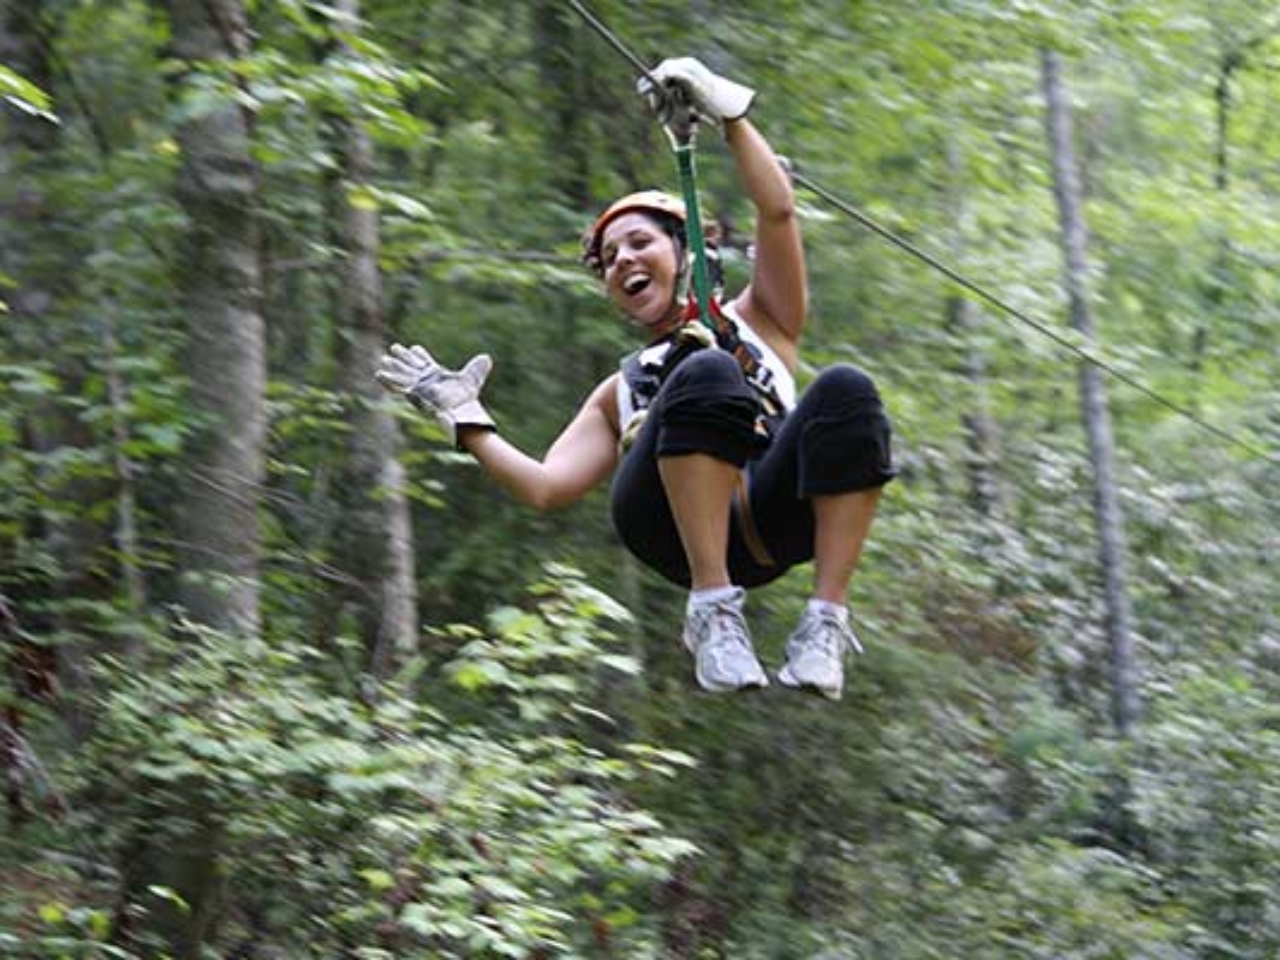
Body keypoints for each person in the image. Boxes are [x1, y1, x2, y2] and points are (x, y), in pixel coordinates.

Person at [377, 57, 894, 700]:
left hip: (774, 515)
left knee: (847, 389)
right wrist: (464, 416)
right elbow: (546, 488)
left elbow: (778, 212)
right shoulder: (617, 391)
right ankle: (711, 610)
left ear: (686, 254)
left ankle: (825, 624)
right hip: (670, 532)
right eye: (610, 259)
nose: (623, 261)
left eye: (640, 243)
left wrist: (728, 115)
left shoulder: (764, 320)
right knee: (703, 370)